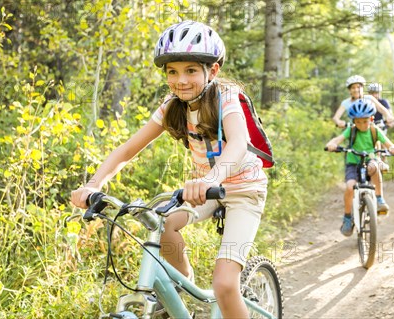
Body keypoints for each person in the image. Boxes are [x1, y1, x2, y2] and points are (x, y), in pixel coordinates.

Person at [70, 20, 267, 319]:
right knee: (157, 219)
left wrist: (211, 178)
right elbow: (127, 150)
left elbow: (239, 142)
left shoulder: (226, 97)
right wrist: (94, 184)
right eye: (172, 71)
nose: (181, 80)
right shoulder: (171, 106)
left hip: (243, 191)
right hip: (207, 189)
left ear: (212, 71)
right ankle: (181, 284)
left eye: (190, 70)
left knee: (225, 285)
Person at [325, 99, 394, 236]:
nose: (361, 125)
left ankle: (379, 198)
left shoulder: (374, 130)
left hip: (369, 159)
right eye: (358, 122)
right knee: (350, 186)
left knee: (374, 167)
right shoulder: (351, 130)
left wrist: (393, 148)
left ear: (371, 119)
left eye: (365, 121)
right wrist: (332, 144)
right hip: (353, 163)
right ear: (354, 121)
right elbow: (338, 139)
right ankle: (347, 218)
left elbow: (388, 144)